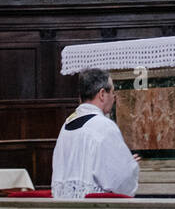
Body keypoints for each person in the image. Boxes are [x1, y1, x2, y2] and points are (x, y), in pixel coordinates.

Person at [51, 68, 141, 199]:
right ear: (102, 94)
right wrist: (128, 166)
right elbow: (121, 182)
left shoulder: (66, 124)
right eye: (113, 92)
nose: (114, 98)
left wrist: (121, 163)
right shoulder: (104, 126)